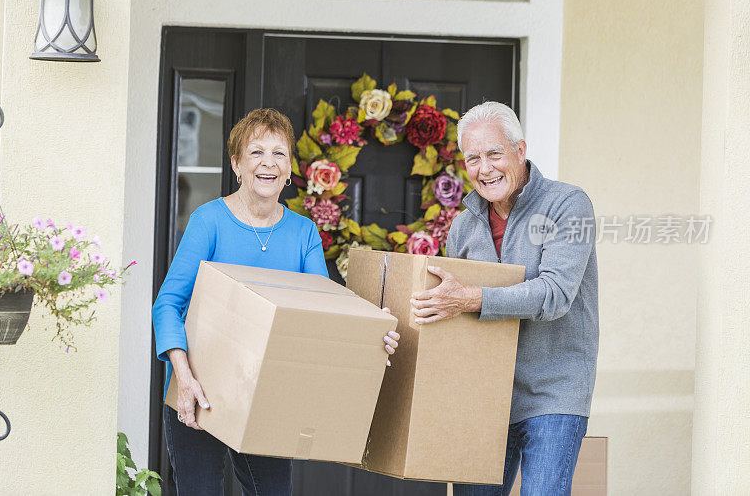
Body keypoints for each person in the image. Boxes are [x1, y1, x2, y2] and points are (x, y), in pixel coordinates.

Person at [153, 108, 400, 496]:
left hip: (269, 395)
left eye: (279, 154)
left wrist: (372, 332)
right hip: (200, 386)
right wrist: (184, 379)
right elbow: (167, 304)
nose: (268, 163)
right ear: (236, 163)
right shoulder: (209, 221)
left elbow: (325, 313)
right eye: (256, 153)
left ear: (289, 170)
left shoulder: (302, 232)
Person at [410, 102, 598, 496]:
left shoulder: (568, 204)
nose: (485, 169)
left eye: (495, 153)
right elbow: (452, 313)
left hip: (553, 394)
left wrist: (472, 300)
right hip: (484, 396)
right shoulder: (462, 227)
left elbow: (556, 293)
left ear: (520, 150)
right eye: (473, 158)